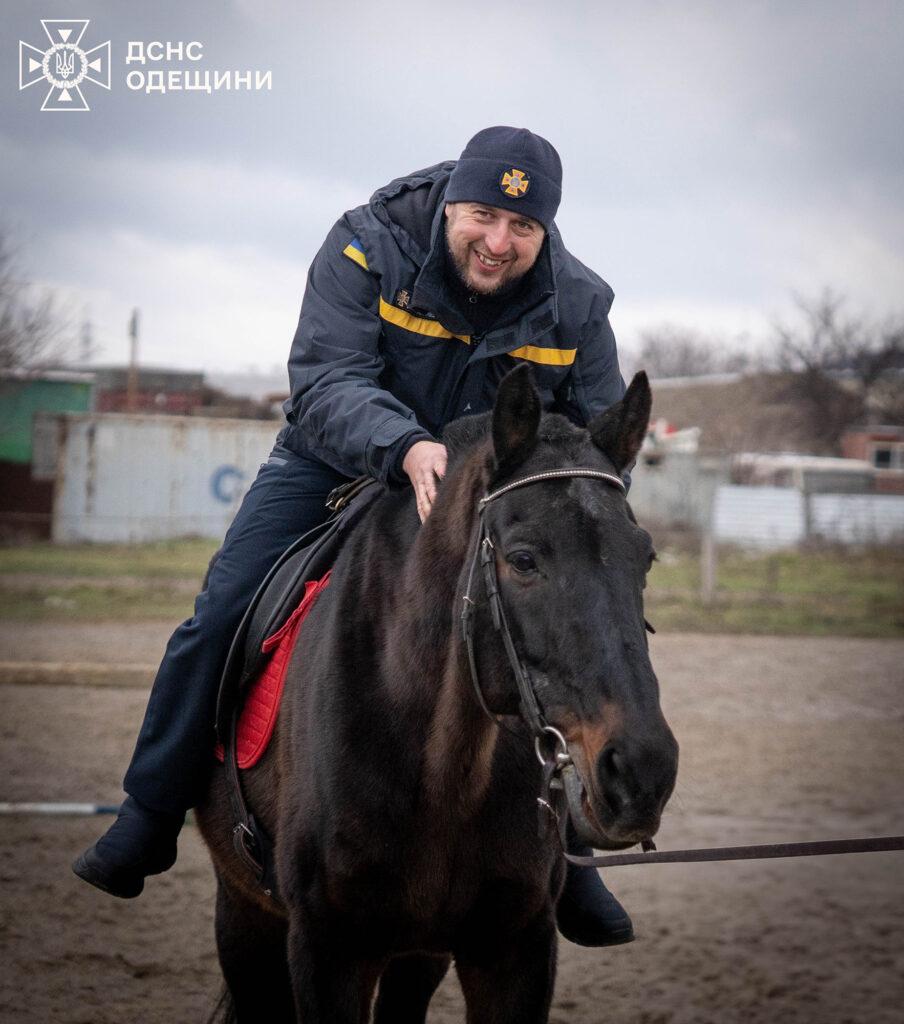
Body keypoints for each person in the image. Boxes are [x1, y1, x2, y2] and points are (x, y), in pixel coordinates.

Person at [73, 126, 635, 947]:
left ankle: (570, 853)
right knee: (222, 609)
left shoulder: (580, 302)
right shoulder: (364, 246)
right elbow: (328, 378)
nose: (498, 242)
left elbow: (592, 436)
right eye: (483, 216)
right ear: (452, 204)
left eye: (523, 229)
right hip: (340, 460)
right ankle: (150, 812)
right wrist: (404, 446)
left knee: (555, 631)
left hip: (482, 494)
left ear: (545, 231)